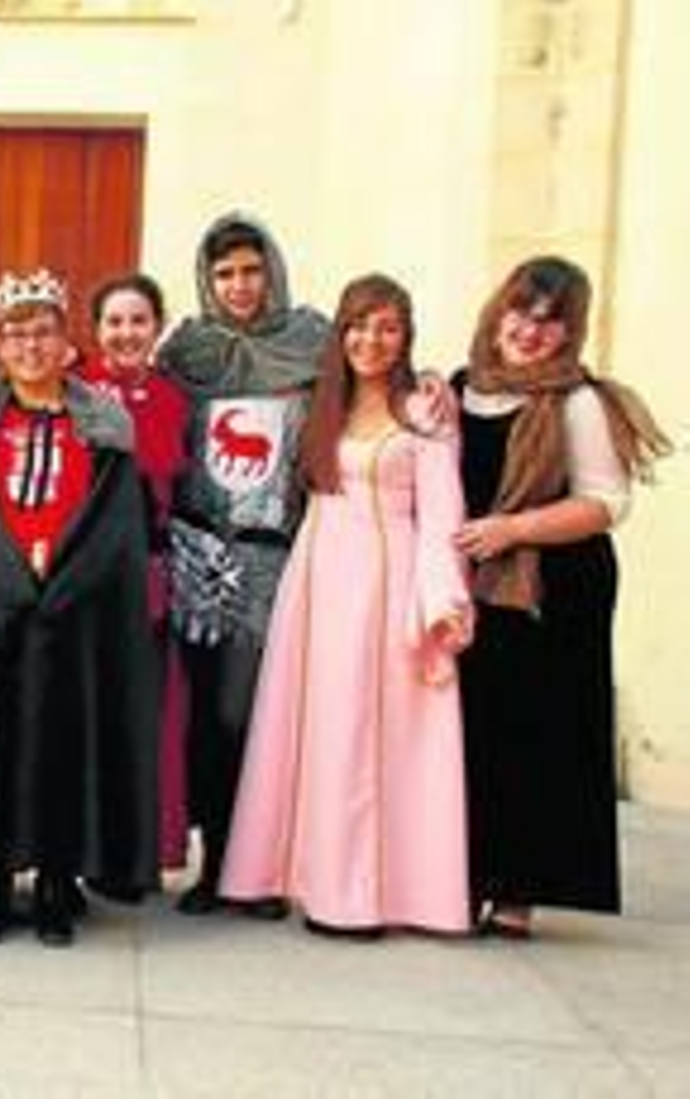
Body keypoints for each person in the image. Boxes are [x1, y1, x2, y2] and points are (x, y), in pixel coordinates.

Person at [220, 274, 475, 936]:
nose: (372, 339)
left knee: (370, 735)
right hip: (319, 577)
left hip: (388, 583)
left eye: (387, 326)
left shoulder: (425, 413)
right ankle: (290, 874)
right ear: (341, 333)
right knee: (315, 728)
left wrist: (440, 597)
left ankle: (359, 894)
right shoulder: (320, 403)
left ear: (406, 335)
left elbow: (443, 511)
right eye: (359, 325)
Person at [0, 269, 161, 948]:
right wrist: (0, 580)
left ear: (66, 342)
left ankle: (57, 881)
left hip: (74, 614)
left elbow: (115, 531)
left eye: (43, 331)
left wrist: (68, 579)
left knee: (64, 746)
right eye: (16, 333)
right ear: (0, 344)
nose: (29, 345)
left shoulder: (106, 428)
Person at [452, 256, 670, 939]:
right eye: (522, 312)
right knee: (474, 731)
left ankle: (517, 890)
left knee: (535, 737)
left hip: (555, 587)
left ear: (571, 332)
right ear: (498, 309)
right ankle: (463, 875)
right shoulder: (463, 388)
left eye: (551, 322)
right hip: (480, 581)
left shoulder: (576, 401)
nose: (530, 331)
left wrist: (513, 528)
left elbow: (606, 502)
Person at [160, 213, 329, 915]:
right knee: (203, 715)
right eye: (225, 273)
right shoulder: (188, 350)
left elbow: (375, 391)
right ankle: (216, 861)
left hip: (270, 552)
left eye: (251, 270)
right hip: (196, 548)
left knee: (252, 713)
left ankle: (261, 868)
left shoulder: (311, 344)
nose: (239, 286)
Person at [78, 273, 191, 875]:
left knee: (146, 716)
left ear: (157, 327)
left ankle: (141, 849)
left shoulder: (174, 398)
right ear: (96, 331)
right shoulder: (77, 391)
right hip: (89, 573)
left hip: (148, 574)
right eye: (114, 322)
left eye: (138, 321)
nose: (126, 333)